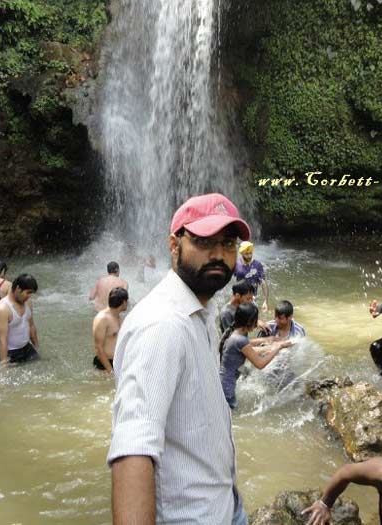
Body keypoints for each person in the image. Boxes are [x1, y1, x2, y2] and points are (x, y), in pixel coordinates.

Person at [108, 193, 251, 524]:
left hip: (223, 505)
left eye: (228, 243)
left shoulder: (202, 312)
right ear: (175, 245)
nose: (218, 254)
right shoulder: (163, 326)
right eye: (204, 241)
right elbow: (133, 448)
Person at [219, 302, 293, 409]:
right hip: (227, 388)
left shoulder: (235, 333)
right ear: (249, 322)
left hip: (223, 383)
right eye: (255, 321)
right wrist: (278, 347)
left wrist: (267, 340)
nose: (256, 325)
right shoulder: (240, 340)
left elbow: (248, 342)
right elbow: (260, 364)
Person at [0, 274, 40, 364]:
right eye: (28, 292)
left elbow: (31, 326)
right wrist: (4, 365)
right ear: (18, 288)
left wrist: (37, 348)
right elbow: (2, 340)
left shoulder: (28, 302)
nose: (29, 296)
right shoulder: (2, 309)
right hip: (10, 353)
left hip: (27, 348)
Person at [92, 287, 129, 373]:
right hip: (104, 365)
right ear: (124, 302)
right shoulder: (102, 318)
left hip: (117, 362)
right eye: (127, 301)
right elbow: (98, 347)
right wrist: (110, 371)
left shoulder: (118, 317)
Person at [233, 240, 269, 312]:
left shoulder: (257, 265)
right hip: (240, 298)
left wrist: (265, 301)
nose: (249, 256)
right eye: (246, 254)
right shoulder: (236, 265)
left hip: (253, 298)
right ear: (242, 253)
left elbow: (263, 283)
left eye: (250, 253)